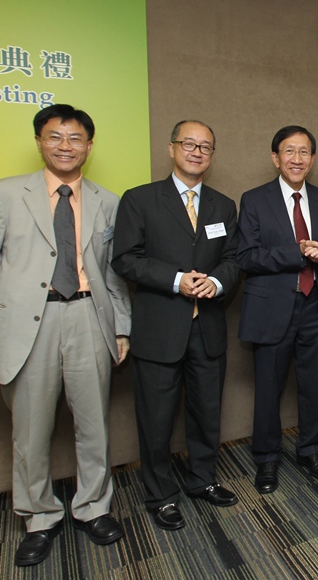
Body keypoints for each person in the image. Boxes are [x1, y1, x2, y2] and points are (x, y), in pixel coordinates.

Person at [0, 104, 131, 567]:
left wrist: (120, 327)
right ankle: (39, 516)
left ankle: (93, 507)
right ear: (39, 141)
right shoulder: (4, 194)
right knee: (30, 432)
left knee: (93, 425)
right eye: (55, 137)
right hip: (25, 326)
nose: (65, 146)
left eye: (75, 139)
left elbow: (113, 274)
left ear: (89, 146)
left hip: (88, 320)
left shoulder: (107, 200)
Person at [112, 120, 240, 530]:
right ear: (172, 149)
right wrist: (175, 279)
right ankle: (161, 494)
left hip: (207, 329)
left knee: (206, 413)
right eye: (189, 144)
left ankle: (202, 480)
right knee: (157, 419)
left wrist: (217, 281)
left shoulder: (223, 205)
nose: (197, 151)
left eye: (206, 146)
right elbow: (125, 259)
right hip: (159, 331)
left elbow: (234, 259)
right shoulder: (140, 199)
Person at [237, 125, 318, 492]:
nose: (297, 159)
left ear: (312, 159)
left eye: (304, 152)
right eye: (289, 151)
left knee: (315, 385)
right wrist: (297, 251)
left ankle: (310, 449)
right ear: (275, 158)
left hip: (315, 304)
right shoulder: (254, 200)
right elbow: (247, 257)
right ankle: (267, 459)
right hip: (272, 309)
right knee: (268, 387)